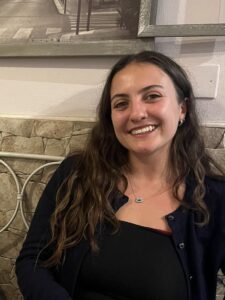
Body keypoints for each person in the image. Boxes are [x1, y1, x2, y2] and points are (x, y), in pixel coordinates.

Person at [16, 51, 225, 300]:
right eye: (121, 103)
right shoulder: (77, 175)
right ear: (111, 117)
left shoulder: (215, 198)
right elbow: (32, 261)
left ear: (182, 109)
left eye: (152, 96)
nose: (136, 114)